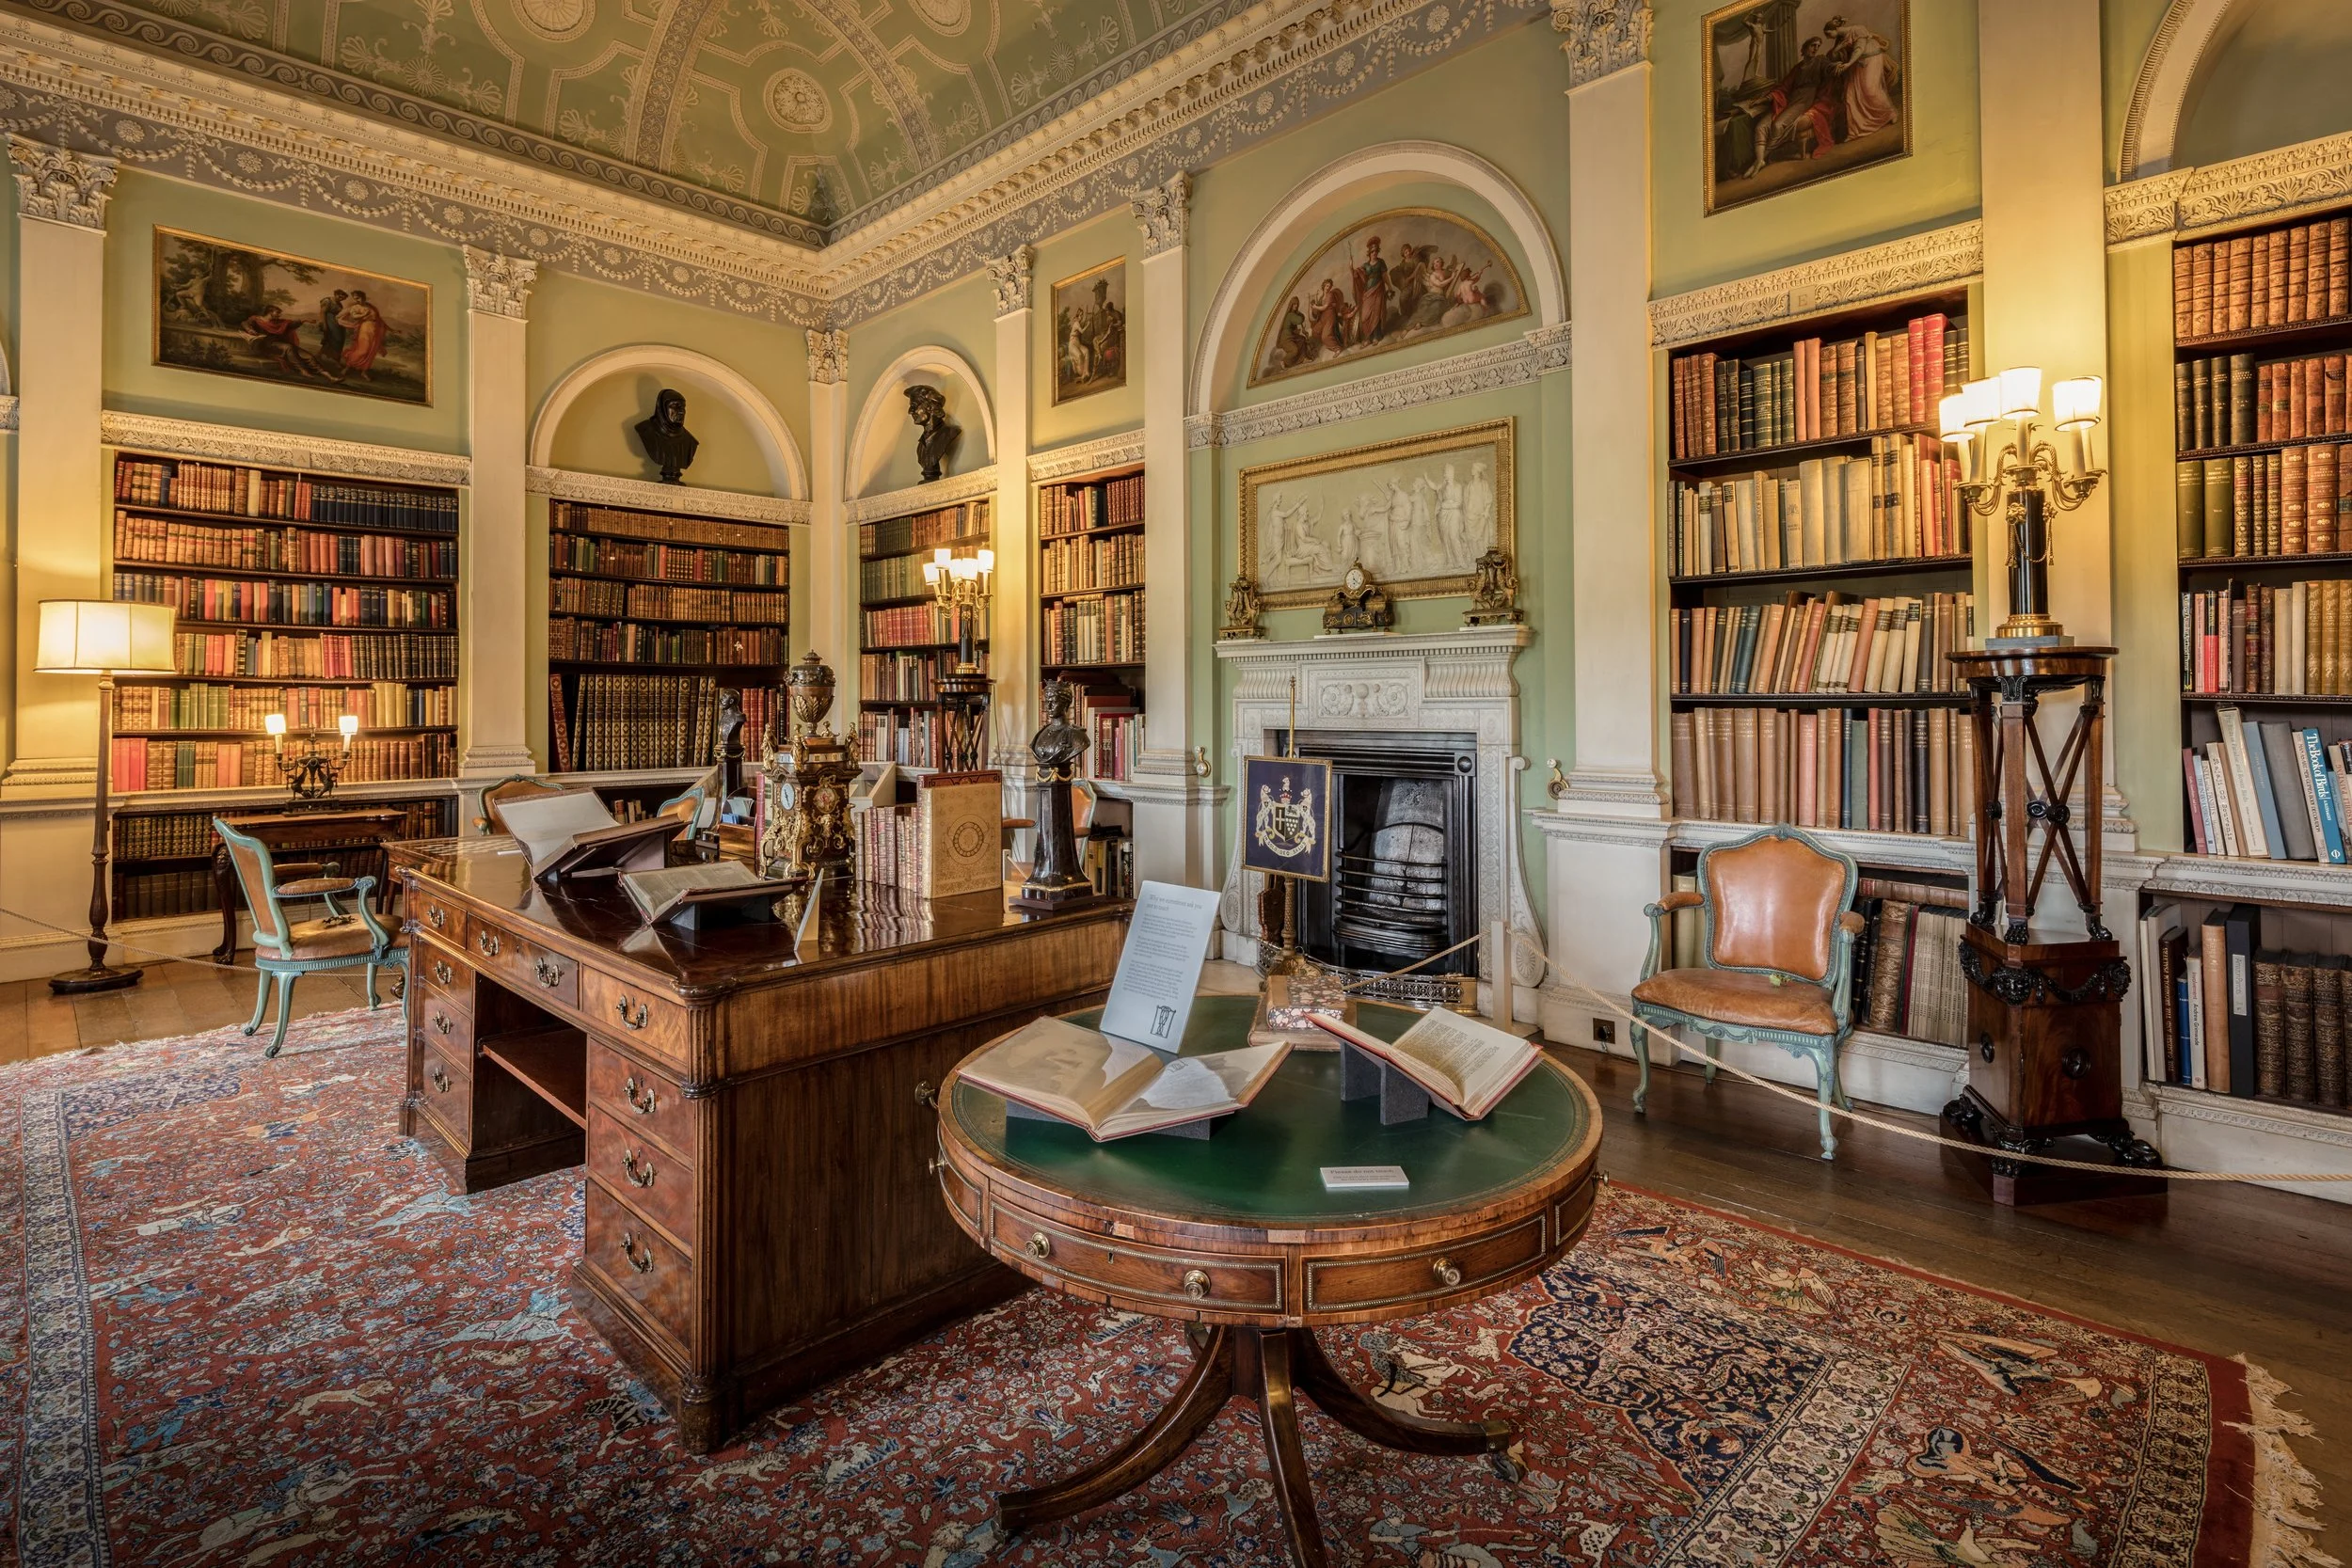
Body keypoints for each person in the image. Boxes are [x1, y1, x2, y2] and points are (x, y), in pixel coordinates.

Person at [1826, 15, 1899, 139]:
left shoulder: (1858, 30)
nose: (1827, 37)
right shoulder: (1840, 38)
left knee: (1871, 90)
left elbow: (1859, 49)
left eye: (1828, 34)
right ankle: (1854, 131)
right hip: (1857, 63)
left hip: (1871, 59)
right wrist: (1839, 49)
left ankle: (1889, 113)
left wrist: (1848, 64)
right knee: (1850, 95)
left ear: (1834, 29)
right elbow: (1832, 55)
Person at [240, 306, 332, 380]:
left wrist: (304, 320)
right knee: (288, 347)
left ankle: (327, 374)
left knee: (308, 356)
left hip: (280, 344)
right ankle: (301, 370)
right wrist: (250, 329)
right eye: (277, 313)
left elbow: (291, 324)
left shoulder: (278, 322)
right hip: (267, 345)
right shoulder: (256, 319)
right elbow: (245, 323)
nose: (279, 315)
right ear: (270, 312)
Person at [338, 290, 387, 379]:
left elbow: (379, 319)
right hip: (364, 329)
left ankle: (364, 372)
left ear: (363, 297)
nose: (357, 300)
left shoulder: (371, 307)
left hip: (375, 330)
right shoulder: (355, 307)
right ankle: (347, 367)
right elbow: (354, 316)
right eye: (355, 299)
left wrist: (392, 330)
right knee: (362, 350)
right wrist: (364, 314)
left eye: (358, 298)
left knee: (371, 351)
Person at [1351, 235, 1391, 346]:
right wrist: (1351, 269)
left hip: (1378, 289)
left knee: (1376, 313)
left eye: (1376, 251)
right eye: (1372, 251)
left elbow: (1385, 275)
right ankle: (1367, 337)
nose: (1374, 253)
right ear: (1369, 253)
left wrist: (1390, 287)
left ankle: (1376, 337)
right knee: (1365, 315)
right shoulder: (1365, 265)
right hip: (1367, 292)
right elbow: (1357, 275)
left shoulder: (1381, 262)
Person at [1309, 277, 1353, 356]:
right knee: (1315, 331)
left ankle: (1337, 348)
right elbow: (1318, 311)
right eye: (1326, 286)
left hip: (1330, 317)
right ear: (1323, 286)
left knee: (1325, 336)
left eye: (1329, 286)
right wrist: (1313, 307)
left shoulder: (1330, 295)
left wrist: (1315, 307)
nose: (1328, 288)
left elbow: (1324, 307)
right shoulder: (1322, 297)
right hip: (1323, 318)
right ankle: (1328, 343)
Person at [315, 288, 348, 366]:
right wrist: (324, 325)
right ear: (336, 294)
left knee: (338, 341)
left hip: (337, 324)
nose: (341, 299)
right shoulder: (327, 301)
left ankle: (320, 355)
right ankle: (335, 360)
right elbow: (323, 313)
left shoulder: (339, 304)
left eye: (343, 298)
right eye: (340, 296)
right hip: (328, 322)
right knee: (334, 340)